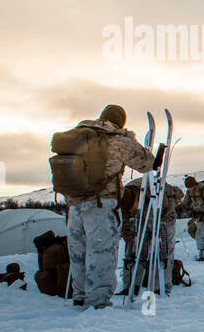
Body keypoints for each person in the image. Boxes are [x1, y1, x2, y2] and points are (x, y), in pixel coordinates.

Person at [61, 104, 156, 308]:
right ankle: (98, 302)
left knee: (79, 252)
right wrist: (131, 139)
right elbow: (145, 163)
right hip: (101, 204)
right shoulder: (116, 139)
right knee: (101, 252)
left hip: (74, 205)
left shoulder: (78, 136)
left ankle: (80, 296)